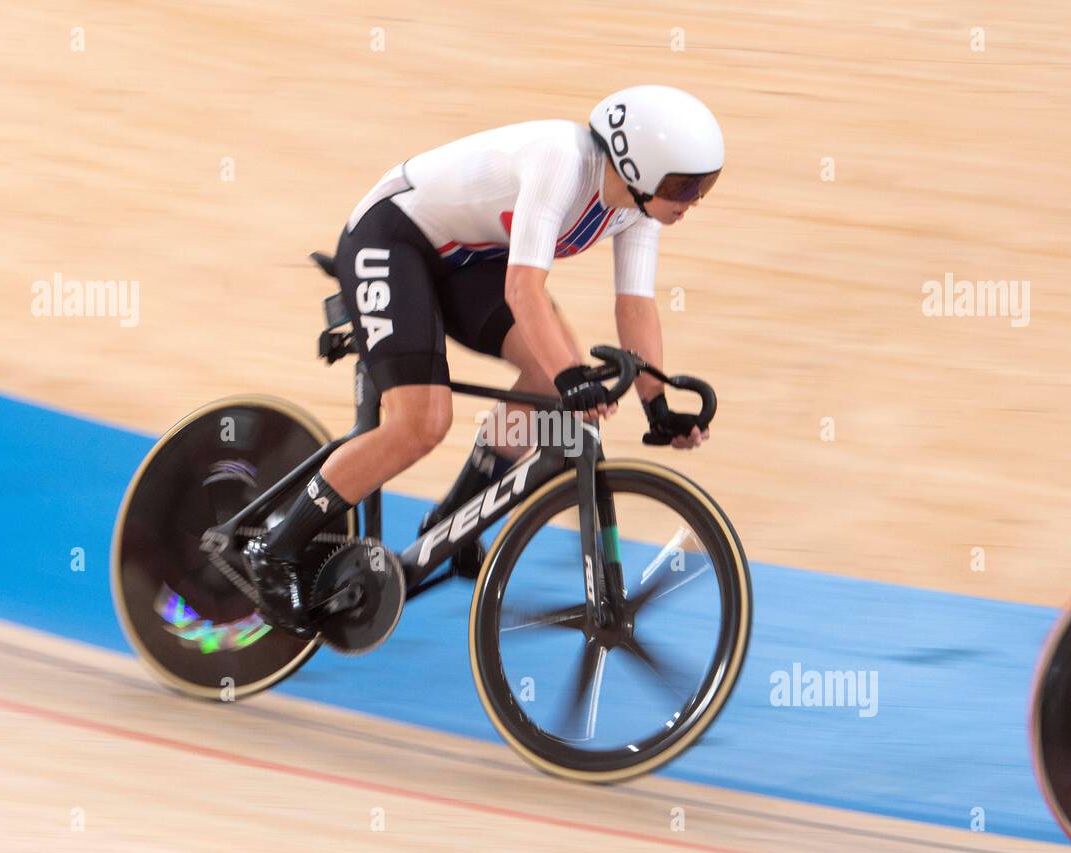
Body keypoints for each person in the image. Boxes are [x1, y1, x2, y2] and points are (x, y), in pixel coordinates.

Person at [245, 85, 723, 636]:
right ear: (636, 167)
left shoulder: (636, 210)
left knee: (550, 376)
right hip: (392, 239)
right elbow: (524, 288)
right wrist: (573, 380)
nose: (694, 199)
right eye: (685, 185)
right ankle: (272, 548)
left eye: (705, 185)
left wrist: (656, 404)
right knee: (423, 423)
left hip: (464, 261)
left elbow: (634, 304)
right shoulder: (563, 161)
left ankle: (449, 522)